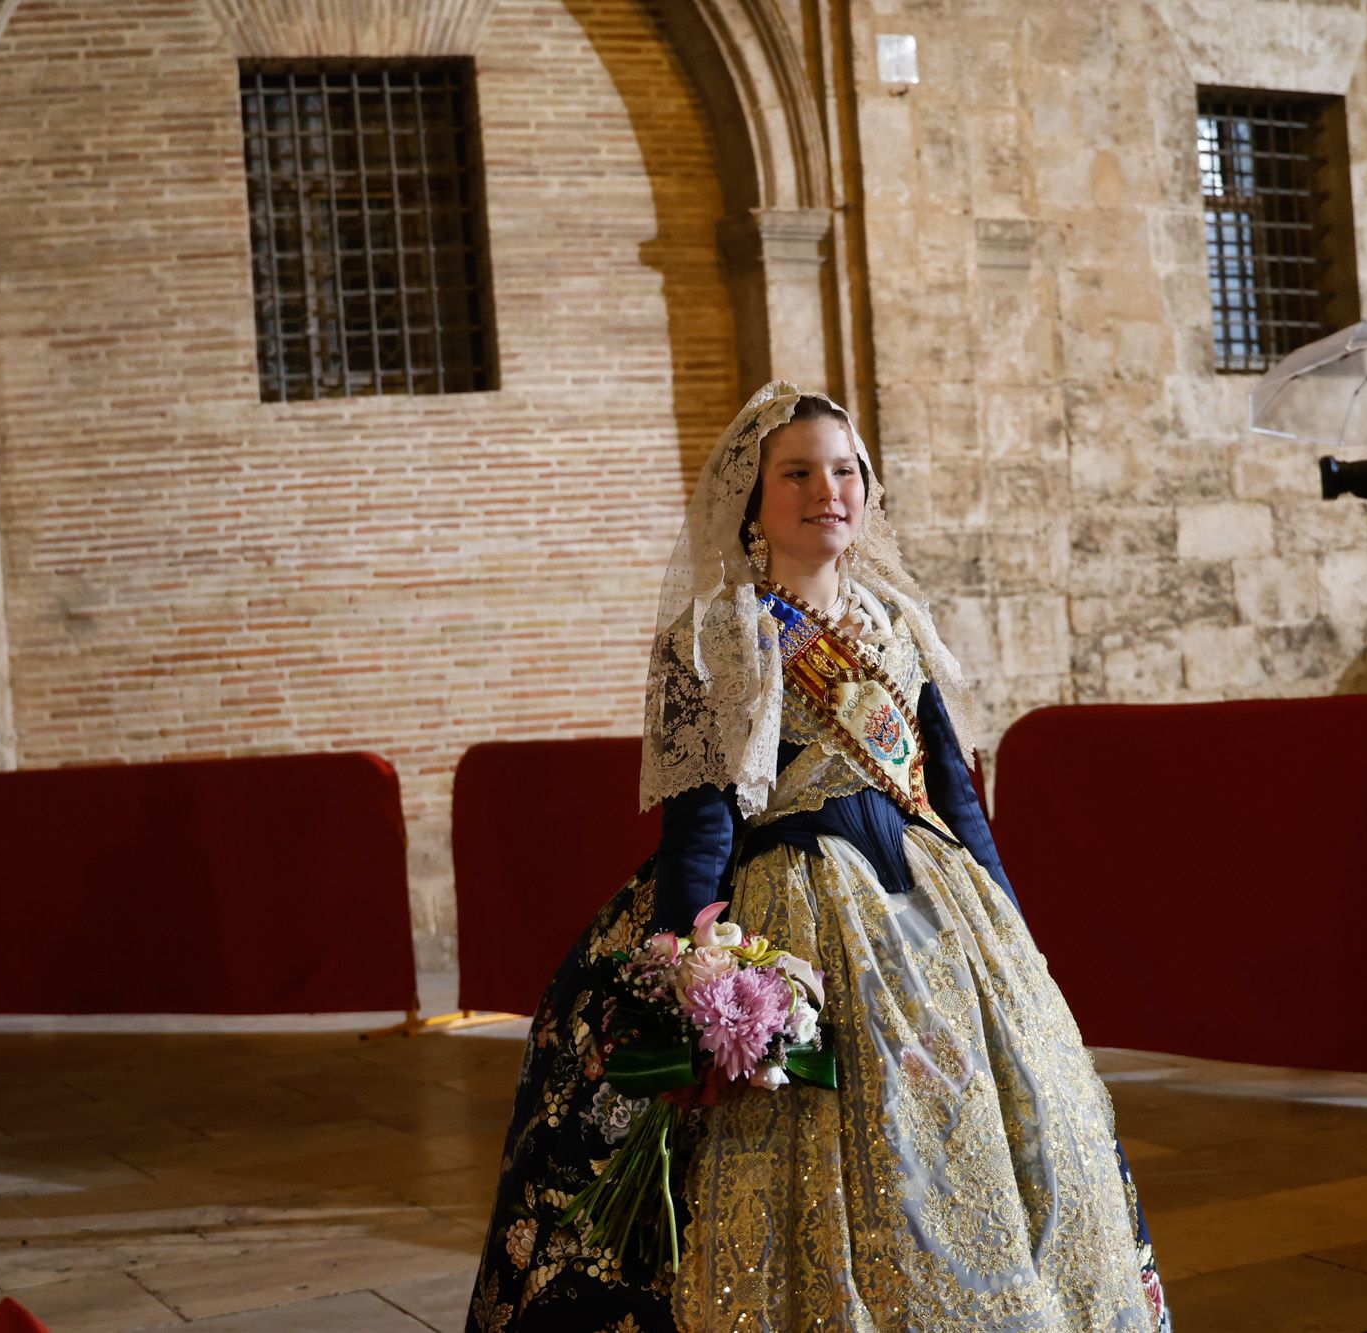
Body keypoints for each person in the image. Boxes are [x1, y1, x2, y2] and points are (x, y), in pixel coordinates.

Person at [465, 383, 1169, 1332]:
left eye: (845, 470)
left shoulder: (898, 623)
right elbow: (701, 820)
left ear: (868, 492)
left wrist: (1013, 931)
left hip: (933, 905)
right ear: (753, 499)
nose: (824, 490)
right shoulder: (716, 638)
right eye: (795, 472)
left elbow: (951, 793)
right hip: (784, 906)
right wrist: (695, 963)